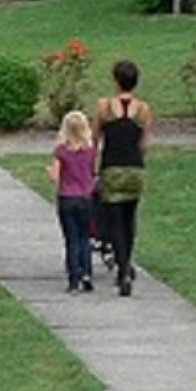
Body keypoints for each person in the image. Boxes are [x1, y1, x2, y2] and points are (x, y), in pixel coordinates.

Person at [93, 59, 153, 297]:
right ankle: (127, 261)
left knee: (114, 221)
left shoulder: (103, 107)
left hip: (111, 169)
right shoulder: (144, 109)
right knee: (130, 219)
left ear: (116, 80)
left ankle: (122, 270)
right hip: (135, 170)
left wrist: (91, 166)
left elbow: (95, 137)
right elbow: (145, 143)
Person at [47, 110, 98, 293]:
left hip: (67, 198)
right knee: (85, 237)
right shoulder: (91, 151)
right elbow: (92, 172)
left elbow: (55, 176)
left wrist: (49, 172)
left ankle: (73, 278)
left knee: (71, 239)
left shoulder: (61, 151)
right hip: (86, 197)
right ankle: (87, 273)